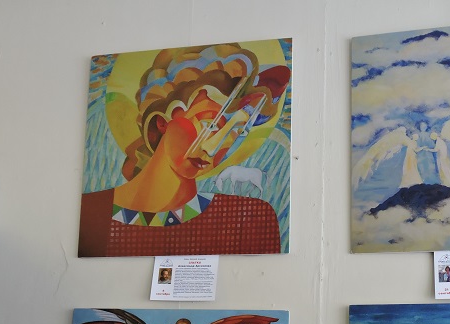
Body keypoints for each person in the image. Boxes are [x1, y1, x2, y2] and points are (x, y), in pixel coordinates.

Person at [78, 43, 291, 257]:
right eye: (208, 125)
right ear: (162, 121)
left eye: (235, 132)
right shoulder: (90, 212)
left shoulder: (250, 220)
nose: (212, 149)